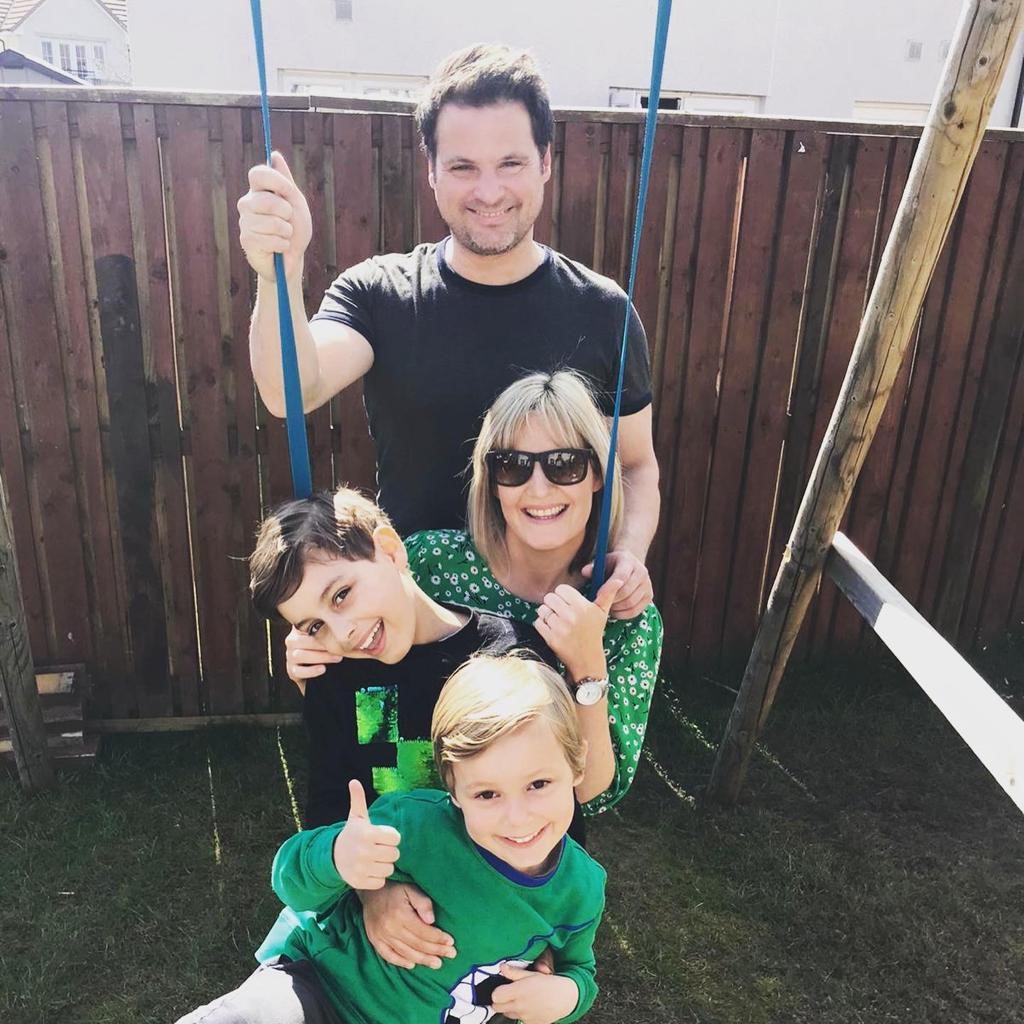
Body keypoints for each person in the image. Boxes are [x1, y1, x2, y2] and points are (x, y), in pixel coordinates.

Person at [237, 42, 659, 620]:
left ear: (545, 162)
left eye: (509, 163)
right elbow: (290, 391)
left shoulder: (603, 310)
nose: (488, 192)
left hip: (556, 619)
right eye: (463, 167)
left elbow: (635, 465)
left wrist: (629, 554)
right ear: (431, 170)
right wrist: (277, 276)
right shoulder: (381, 294)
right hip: (409, 624)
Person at [287, 371, 663, 819]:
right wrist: (314, 653)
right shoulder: (431, 561)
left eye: (564, 464)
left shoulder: (627, 615)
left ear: (598, 474)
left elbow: (593, 793)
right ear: (491, 478)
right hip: (404, 823)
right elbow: (358, 666)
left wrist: (586, 670)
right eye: (513, 466)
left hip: (515, 843)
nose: (538, 489)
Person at [174, 654, 606, 1024]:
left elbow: (579, 970)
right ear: (453, 790)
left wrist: (564, 997)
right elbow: (289, 877)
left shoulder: (581, 889)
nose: (517, 817)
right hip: (319, 986)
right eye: (487, 793)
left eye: (539, 784)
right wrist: (338, 856)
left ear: (577, 765)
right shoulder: (413, 825)